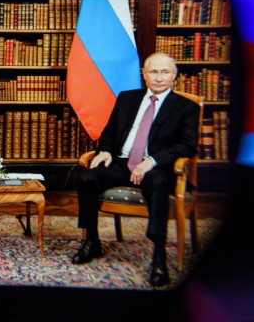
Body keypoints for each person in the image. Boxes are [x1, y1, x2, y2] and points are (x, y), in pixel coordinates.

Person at [72, 52, 199, 287]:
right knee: (86, 177)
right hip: (122, 163)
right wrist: (105, 150)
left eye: (165, 72)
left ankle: (158, 255)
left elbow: (188, 145)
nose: (159, 77)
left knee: (158, 184)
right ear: (144, 74)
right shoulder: (127, 98)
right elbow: (109, 131)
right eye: (153, 72)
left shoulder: (186, 107)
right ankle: (92, 241)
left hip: (156, 168)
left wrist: (152, 160)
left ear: (174, 75)